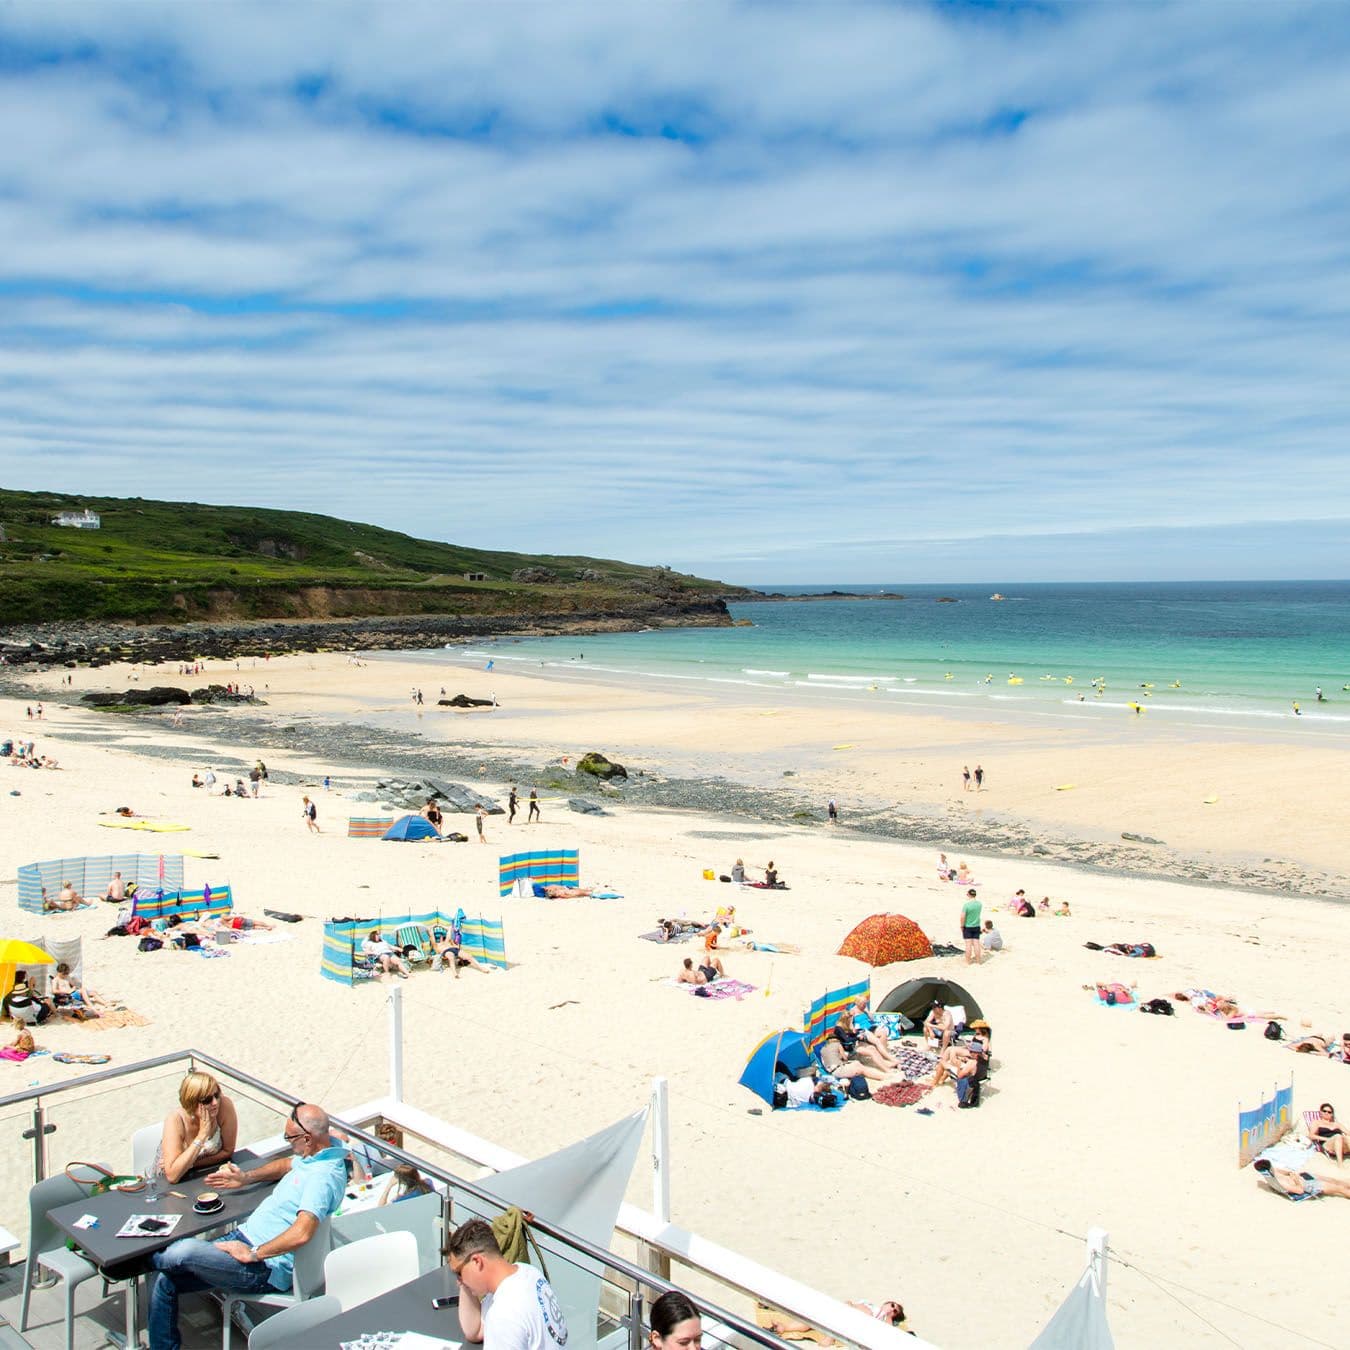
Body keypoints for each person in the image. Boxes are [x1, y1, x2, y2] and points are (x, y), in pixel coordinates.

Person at [148, 1103, 349, 1350]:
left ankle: (138, 1262)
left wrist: (253, 1253)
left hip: (262, 1265)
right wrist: (245, 1177)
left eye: (289, 1137)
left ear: (307, 1138)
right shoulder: (319, 1153)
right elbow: (287, 1164)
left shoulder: (322, 1177)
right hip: (243, 1241)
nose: (287, 1142)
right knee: (166, 1280)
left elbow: (303, 1231)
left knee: (182, 1252)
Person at [448, 1215, 569, 1348]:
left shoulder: (504, 1315)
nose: (458, 1281)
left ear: (477, 1261)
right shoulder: (528, 1273)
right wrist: (465, 1283)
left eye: (459, 1273)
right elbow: (475, 1331)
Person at [155, 1071, 239, 1182]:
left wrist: (191, 1164)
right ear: (192, 1101)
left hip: (203, 1173)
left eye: (217, 1095)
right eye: (207, 1100)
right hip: (166, 1183)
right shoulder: (176, 1120)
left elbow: (228, 1151)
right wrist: (202, 1134)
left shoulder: (224, 1106)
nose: (215, 1102)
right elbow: (172, 1176)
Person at [1253, 1159, 1350, 1200]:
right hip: (1306, 1185)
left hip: (1302, 1178)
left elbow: (1287, 1172)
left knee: (1334, 1180)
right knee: (1338, 1189)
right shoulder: (1280, 1182)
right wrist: (1296, 1180)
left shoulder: (1271, 1172)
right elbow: (1300, 1191)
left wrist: (1292, 1174)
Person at [960, 887, 982, 965]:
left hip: (968, 926)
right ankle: (978, 961)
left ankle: (968, 961)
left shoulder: (966, 905)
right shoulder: (979, 904)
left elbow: (963, 917)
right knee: (976, 943)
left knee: (968, 944)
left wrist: (962, 926)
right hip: (977, 925)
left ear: (968, 895)